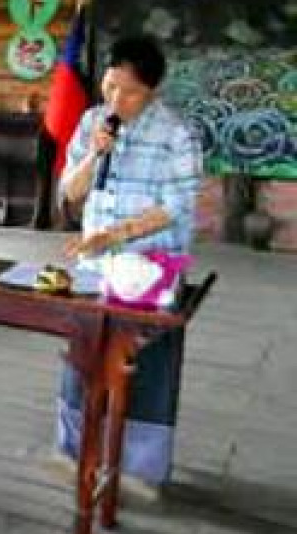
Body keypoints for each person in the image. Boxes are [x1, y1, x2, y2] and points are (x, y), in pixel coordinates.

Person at [53, 34, 202, 496]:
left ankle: (139, 469)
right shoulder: (92, 121)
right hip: (96, 265)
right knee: (83, 352)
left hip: (152, 267)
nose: (117, 100)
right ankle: (75, 451)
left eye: (130, 92)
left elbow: (175, 207)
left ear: (152, 91)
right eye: (110, 86)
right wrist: (94, 152)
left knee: (144, 362)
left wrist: (113, 235)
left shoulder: (177, 134)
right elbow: (70, 192)